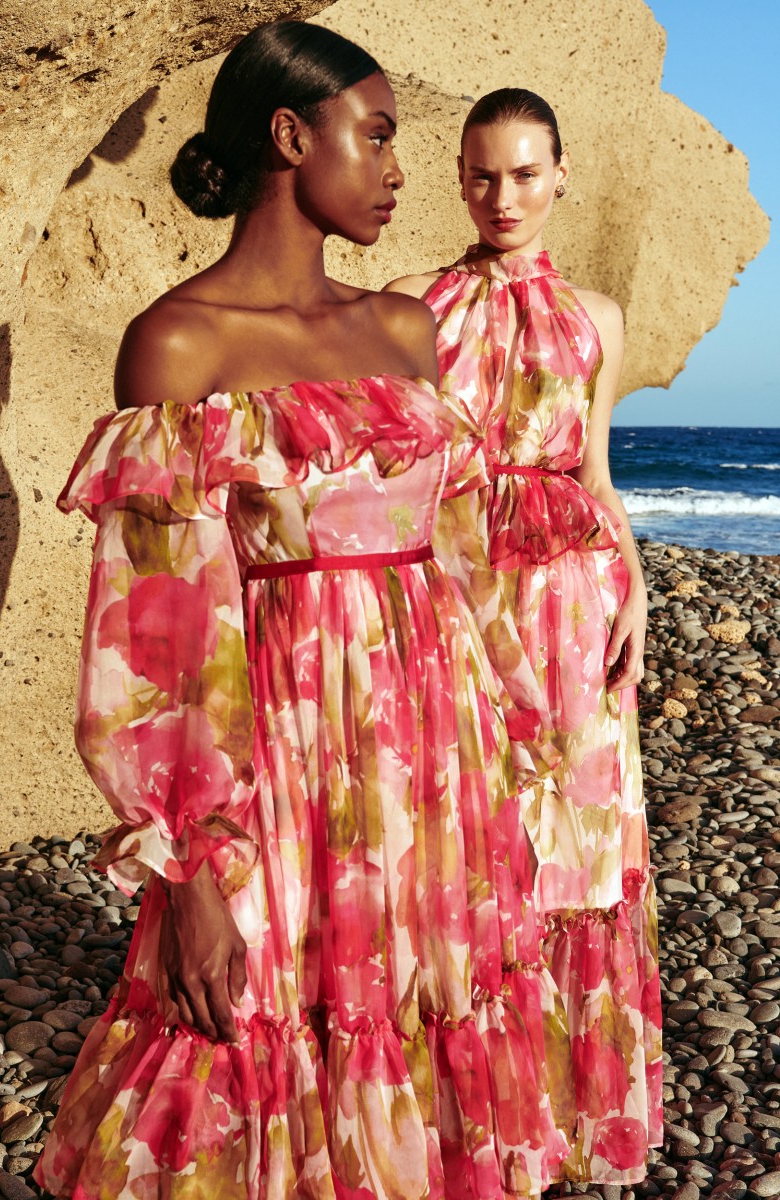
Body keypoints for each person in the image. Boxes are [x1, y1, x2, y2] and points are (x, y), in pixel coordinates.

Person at [35, 34, 575, 1200]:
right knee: (244, 1029)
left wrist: (514, 758)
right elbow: (157, 645)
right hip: (277, 759)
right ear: (290, 136)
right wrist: (183, 877)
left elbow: (458, 568)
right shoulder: (181, 344)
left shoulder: (401, 331)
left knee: (427, 1015)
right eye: (373, 134)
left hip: (434, 766)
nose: (394, 169)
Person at [386, 88, 663, 1186]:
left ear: (560, 176)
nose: (502, 195)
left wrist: (635, 588)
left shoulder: (596, 314)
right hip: (456, 594)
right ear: (458, 179)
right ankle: (468, 1117)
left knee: (578, 855)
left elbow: (594, 469)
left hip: (574, 603)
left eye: (523, 173)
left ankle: (564, 1109)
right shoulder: (408, 303)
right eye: (480, 174)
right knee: (463, 843)